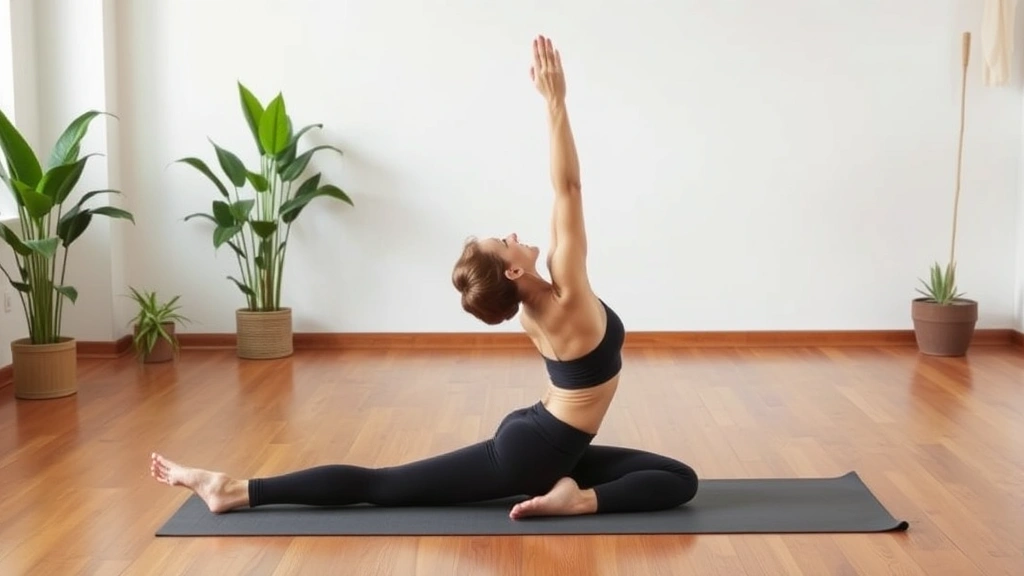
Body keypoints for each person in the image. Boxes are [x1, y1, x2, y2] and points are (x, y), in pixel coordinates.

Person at [149, 35, 699, 519]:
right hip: (535, 450)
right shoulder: (568, 297)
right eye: (504, 241)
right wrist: (556, 102)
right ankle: (235, 489)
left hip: (548, 440)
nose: (512, 233)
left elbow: (562, 196)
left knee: (676, 477)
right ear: (513, 268)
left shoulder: (536, 303)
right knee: (382, 485)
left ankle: (570, 493)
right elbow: (568, 190)